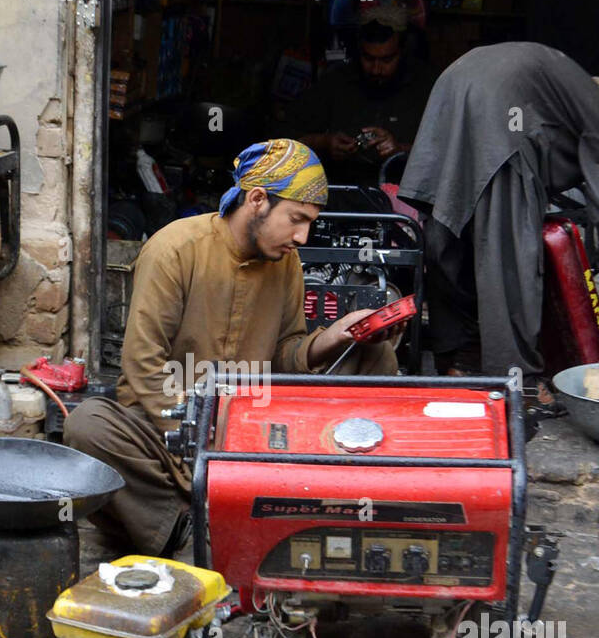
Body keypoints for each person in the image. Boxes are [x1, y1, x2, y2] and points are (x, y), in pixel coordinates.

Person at [65, 139, 398, 557]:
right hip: (170, 434)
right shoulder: (175, 249)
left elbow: (285, 354)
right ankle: (182, 528)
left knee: (374, 356)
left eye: (310, 223)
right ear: (257, 199)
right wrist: (205, 438)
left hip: (254, 425)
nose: (302, 236)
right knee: (88, 425)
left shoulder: (286, 261)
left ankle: (340, 501)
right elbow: (143, 368)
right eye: (296, 219)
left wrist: (336, 337)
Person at [398, 41, 599, 389]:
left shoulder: (581, 104)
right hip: (503, 107)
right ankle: (517, 382)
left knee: (447, 236)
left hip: (456, 80)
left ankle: (453, 359)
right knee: (511, 261)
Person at [289, 0, 438, 187]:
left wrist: (401, 151)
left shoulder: (427, 86)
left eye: (386, 59)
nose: (376, 69)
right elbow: (287, 139)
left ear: (403, 52)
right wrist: (325, 142)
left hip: (405, 198)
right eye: (368, 58)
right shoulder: (336, 81)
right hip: (342, 194)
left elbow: (446, 153)